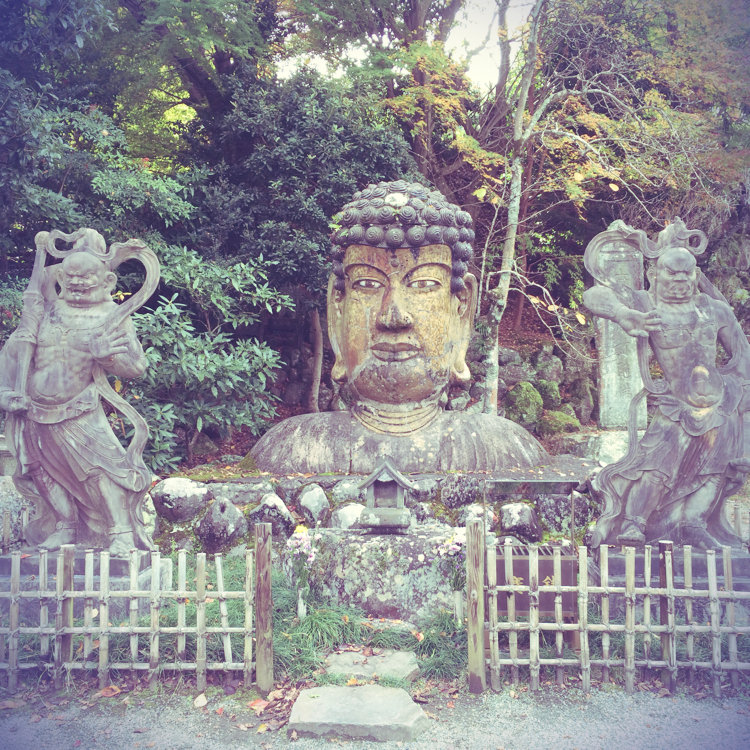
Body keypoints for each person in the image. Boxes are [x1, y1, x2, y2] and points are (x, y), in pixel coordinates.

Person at [250, 180, 548, 474]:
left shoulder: (501, 450)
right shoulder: (292, 450)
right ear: (338, 308)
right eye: (368, 284)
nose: (393, 316)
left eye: (423, 284)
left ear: (461, 308)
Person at [0, 229, 156, 554]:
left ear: (108, 281)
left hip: (79, 410)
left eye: (86, 276)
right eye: (70, 275)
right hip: (34, 411)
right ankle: (65, 525)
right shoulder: (46, 310)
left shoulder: (111, 316)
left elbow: (137, 366)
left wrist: (107, 357)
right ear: (60, 276)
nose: (77, 282)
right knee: (40, 470)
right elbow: (13, 354)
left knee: (100, 471)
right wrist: (6, 393)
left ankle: (120, 532)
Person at [585, 244, 750, 548]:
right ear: (654, 274)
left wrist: (744, 423)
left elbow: (744, 361)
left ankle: (694, 524)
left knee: (716, 470)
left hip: (719, 405)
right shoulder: (646, 304)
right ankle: (634, 523)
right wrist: (624, 314)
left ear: (695, 275)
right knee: (655, 467)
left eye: (686, 273)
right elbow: (593, 296)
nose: (680, 279)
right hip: (675, 405)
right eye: (672, 273)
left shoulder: (714, 310)